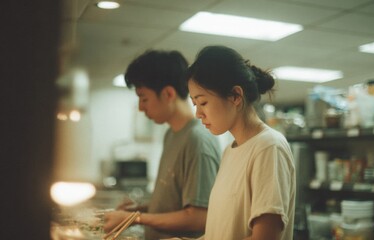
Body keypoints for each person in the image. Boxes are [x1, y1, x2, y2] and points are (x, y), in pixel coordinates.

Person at [103, 50, 221, 240]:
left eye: (144, 98)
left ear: (168, 93)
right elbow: (175, 204)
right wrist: (138, 210)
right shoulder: (171, 135)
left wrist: (137, 218)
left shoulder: (197, 140)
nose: (141, 108)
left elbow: (199, 217)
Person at [187, 45, 296, 240]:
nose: (198, 114)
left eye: (203, 102)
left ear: (236, 96)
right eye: (195, 104)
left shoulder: (268, 147)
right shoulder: (230, 151)